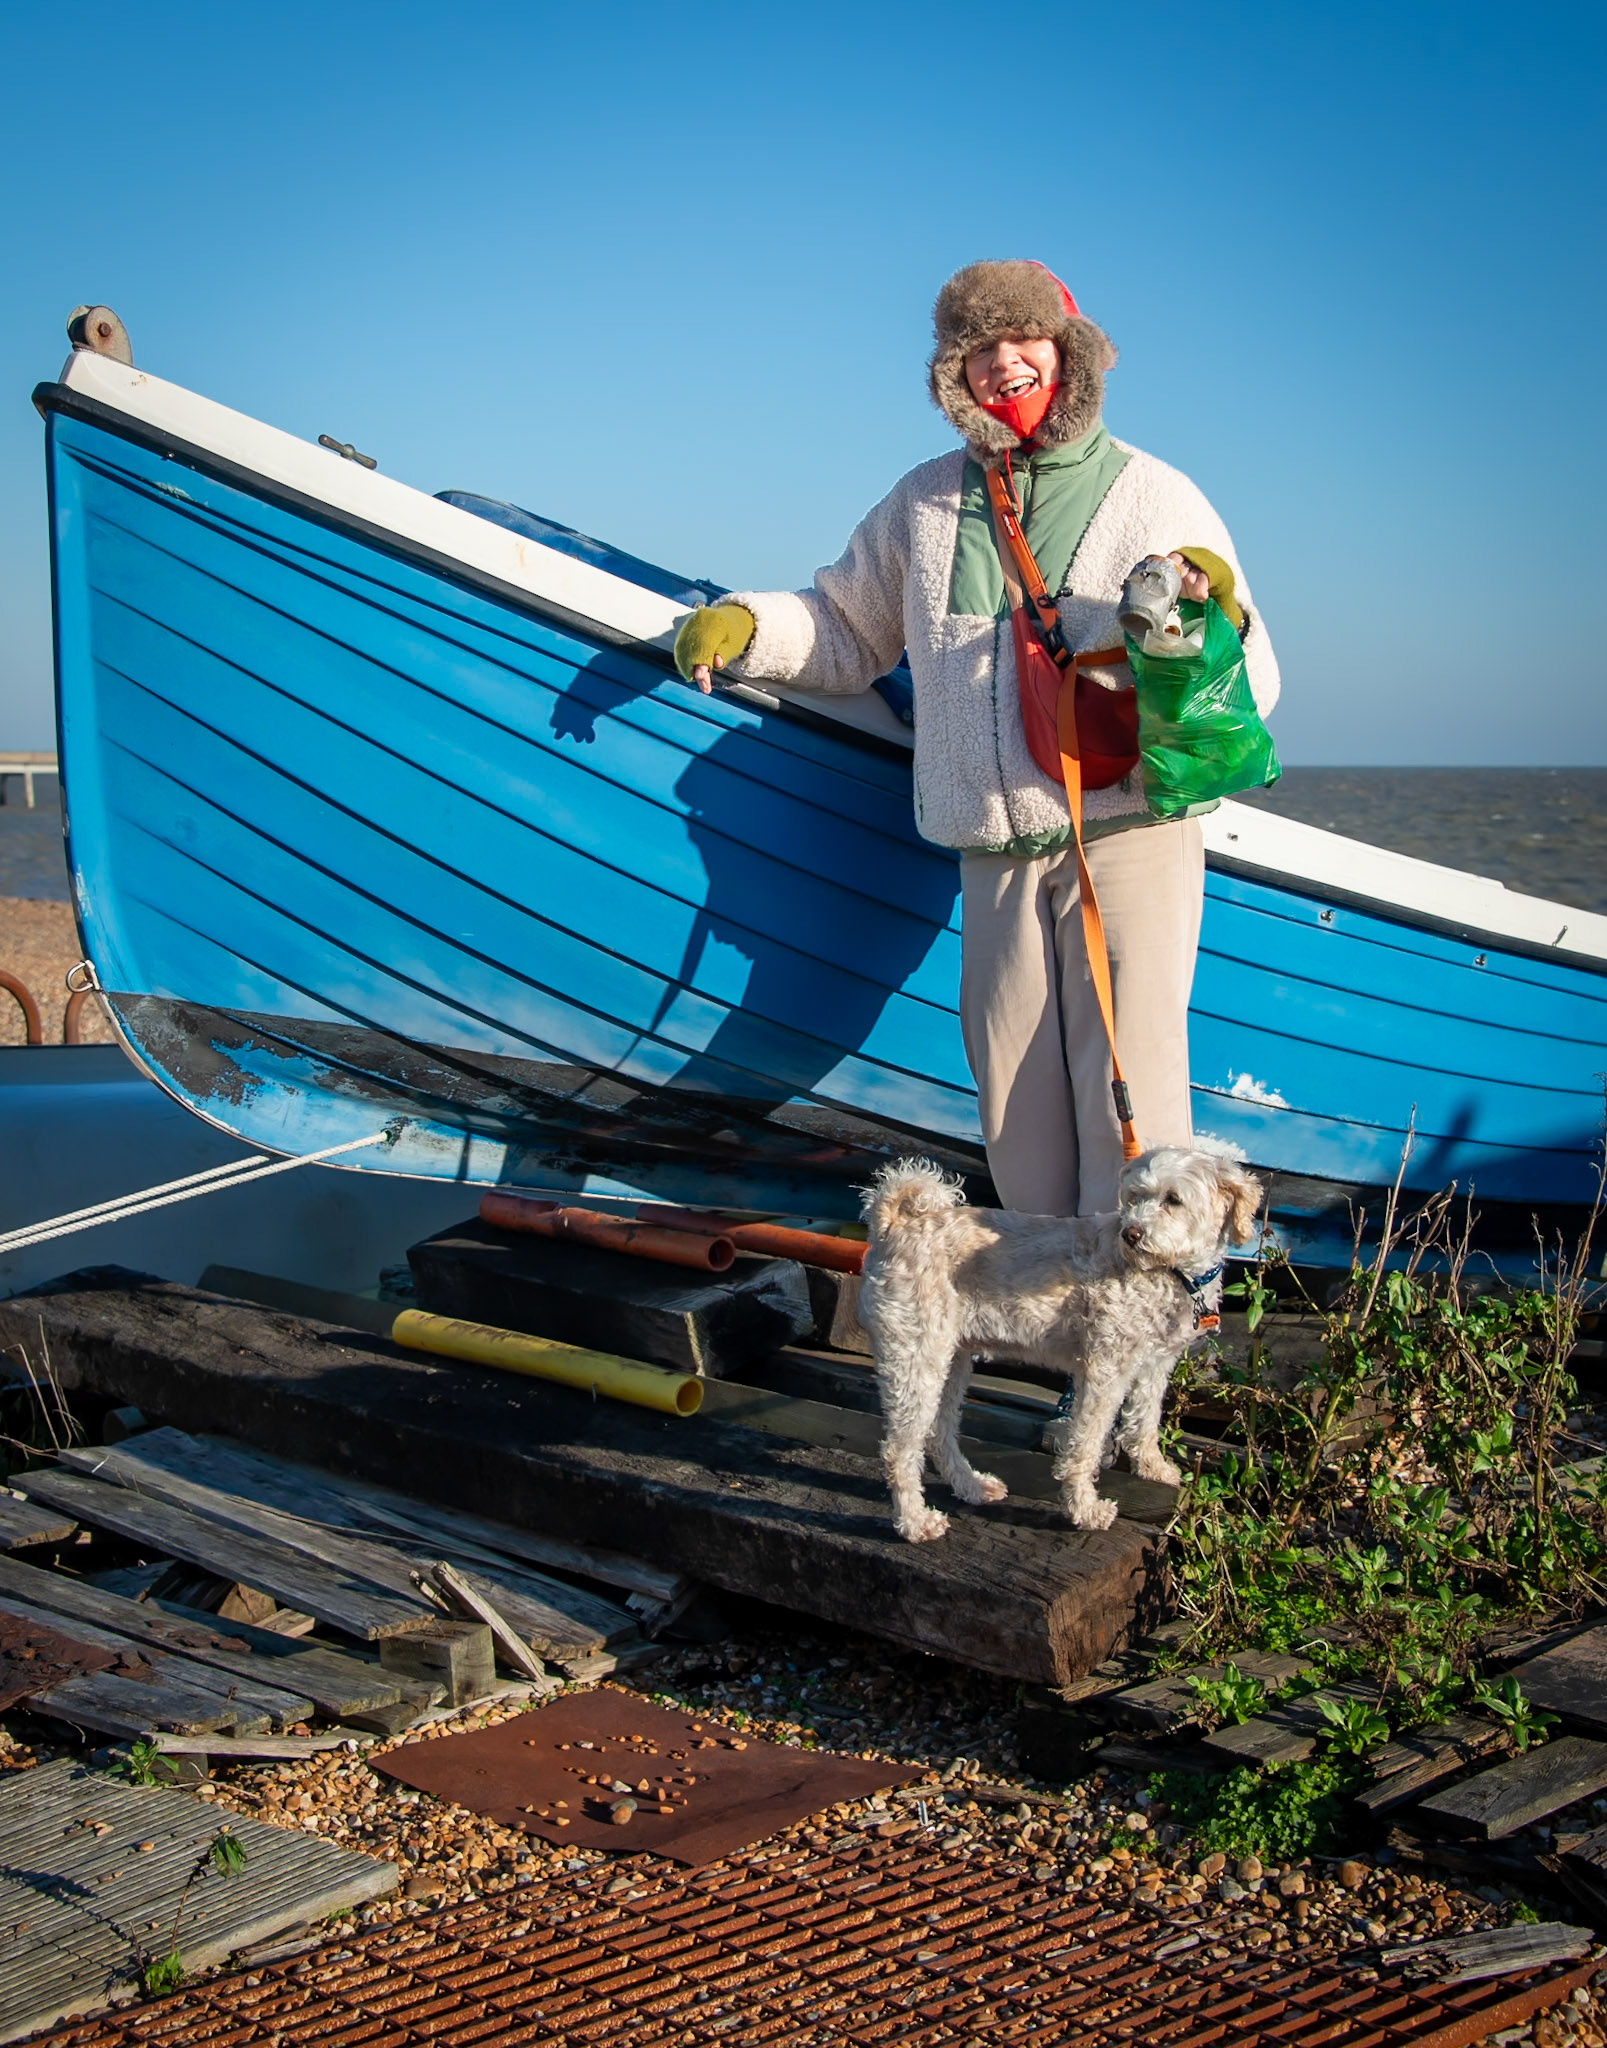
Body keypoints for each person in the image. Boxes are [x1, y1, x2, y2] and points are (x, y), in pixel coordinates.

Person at [673, 259, 1279, 1218]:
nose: (1003, 365)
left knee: (1130, 1079)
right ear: (953, 375)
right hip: (989, 849)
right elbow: (844, 627)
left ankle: (1157, 1305)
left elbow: (1254, 676)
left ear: (1068, 350)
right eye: (977, 351)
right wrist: (746, 626)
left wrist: (1206, 611)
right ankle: (1047, 1298)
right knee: (1012, 1088)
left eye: (1022, 341)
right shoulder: (919, 502)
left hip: (1121, 830)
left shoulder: (1154, 495)